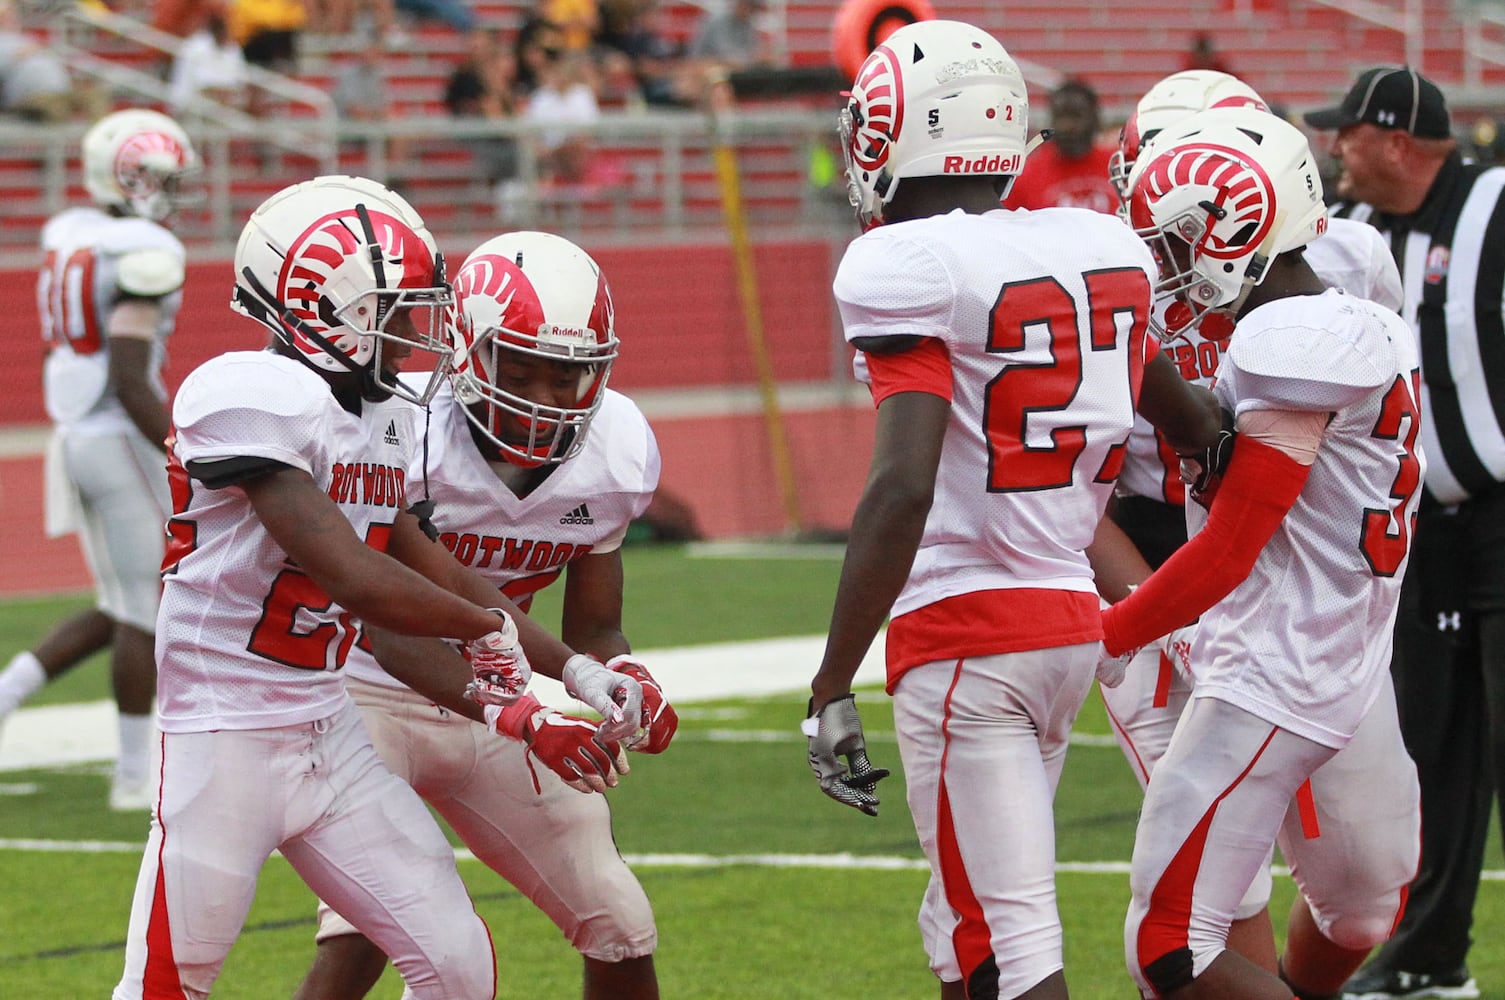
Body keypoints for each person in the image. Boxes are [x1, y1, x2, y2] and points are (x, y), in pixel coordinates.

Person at [110, 174, 645, 999]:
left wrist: (572, 671)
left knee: (458, 967)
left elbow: (430, 559)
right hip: (225, 735)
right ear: (325, 308)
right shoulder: (248, 392)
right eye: (395, 313)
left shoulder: (386, 415)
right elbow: (349, 572)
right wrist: (487, 641)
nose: (417, 334)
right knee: (167, 983)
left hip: (327, 730)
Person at [803, 20, 1222, 1000]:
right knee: (965, 929)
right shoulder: (1094, 245)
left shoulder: (904, 261)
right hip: (1066, 629)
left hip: (964, 634)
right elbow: (1194, 419)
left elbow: (902, 485)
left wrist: (829, 679)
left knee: (1006, 942)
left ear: (903, 130)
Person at [290, 229, 675, 1000]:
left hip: (492, 701)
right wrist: (529, 716)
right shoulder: (402, 432)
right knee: (368, 926)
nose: (546, 397)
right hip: (361, 693)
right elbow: (390, 628)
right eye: (522, 369)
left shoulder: (618, 449)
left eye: (569, 375)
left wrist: (623, 674)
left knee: (620, 922)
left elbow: (593, 623)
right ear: (465, 352)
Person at [1090, 66, 1406, 977]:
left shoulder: (1343, 266)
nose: (1158, 229)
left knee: (1364, 896)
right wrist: (1144, 614)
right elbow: (1079, 489)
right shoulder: (1113, 271)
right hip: (1157, 567)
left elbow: (1355, 463)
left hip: (1289, 591)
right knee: (1205, 911)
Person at [1303, 65, 1505, 1000]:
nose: (1333, 146)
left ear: (1392, 140)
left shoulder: (1494, 205)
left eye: (1346, 132)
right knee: (1428, 747)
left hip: (1502, 513)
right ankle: (1430, 959)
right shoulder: (1348, 234)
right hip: (1411, 530)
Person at [0, 110, 197, 810]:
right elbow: (128, 374)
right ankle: (133, 776)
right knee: (149, 607)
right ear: (131, 175)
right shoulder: (142, 250)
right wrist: (189, 453)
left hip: (75, 434)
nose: (171, 190)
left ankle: (7, 692)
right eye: (162, 177)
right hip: (116, 432)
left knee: (122, 599)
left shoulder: (69, 231)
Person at [1003, 78, 1118, 214]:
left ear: (1095, 118)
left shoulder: (1117, 166)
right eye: (1060, 117)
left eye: (1076, 116)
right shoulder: (1025, 176)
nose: (1067, 126)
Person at [168, 1, 249, 115]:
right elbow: (205, 85)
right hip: (192, 108)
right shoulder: (195, 46)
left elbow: (239, 84)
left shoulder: (233, 48)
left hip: (221, 109)